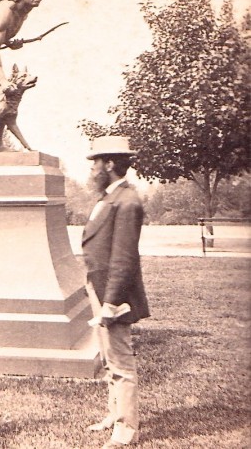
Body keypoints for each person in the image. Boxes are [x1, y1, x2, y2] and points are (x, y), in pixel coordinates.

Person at [81, 136, 150, 448]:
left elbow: (124, 259)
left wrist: (110, 303)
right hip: (101, 291)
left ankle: (125, 429)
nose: (93, 168)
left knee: (121, 363)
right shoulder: (111, 197)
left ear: (109, 164)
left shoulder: (127, 202)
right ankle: (114, 415)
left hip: (114, 297)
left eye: (95, 162)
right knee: (109, 360)